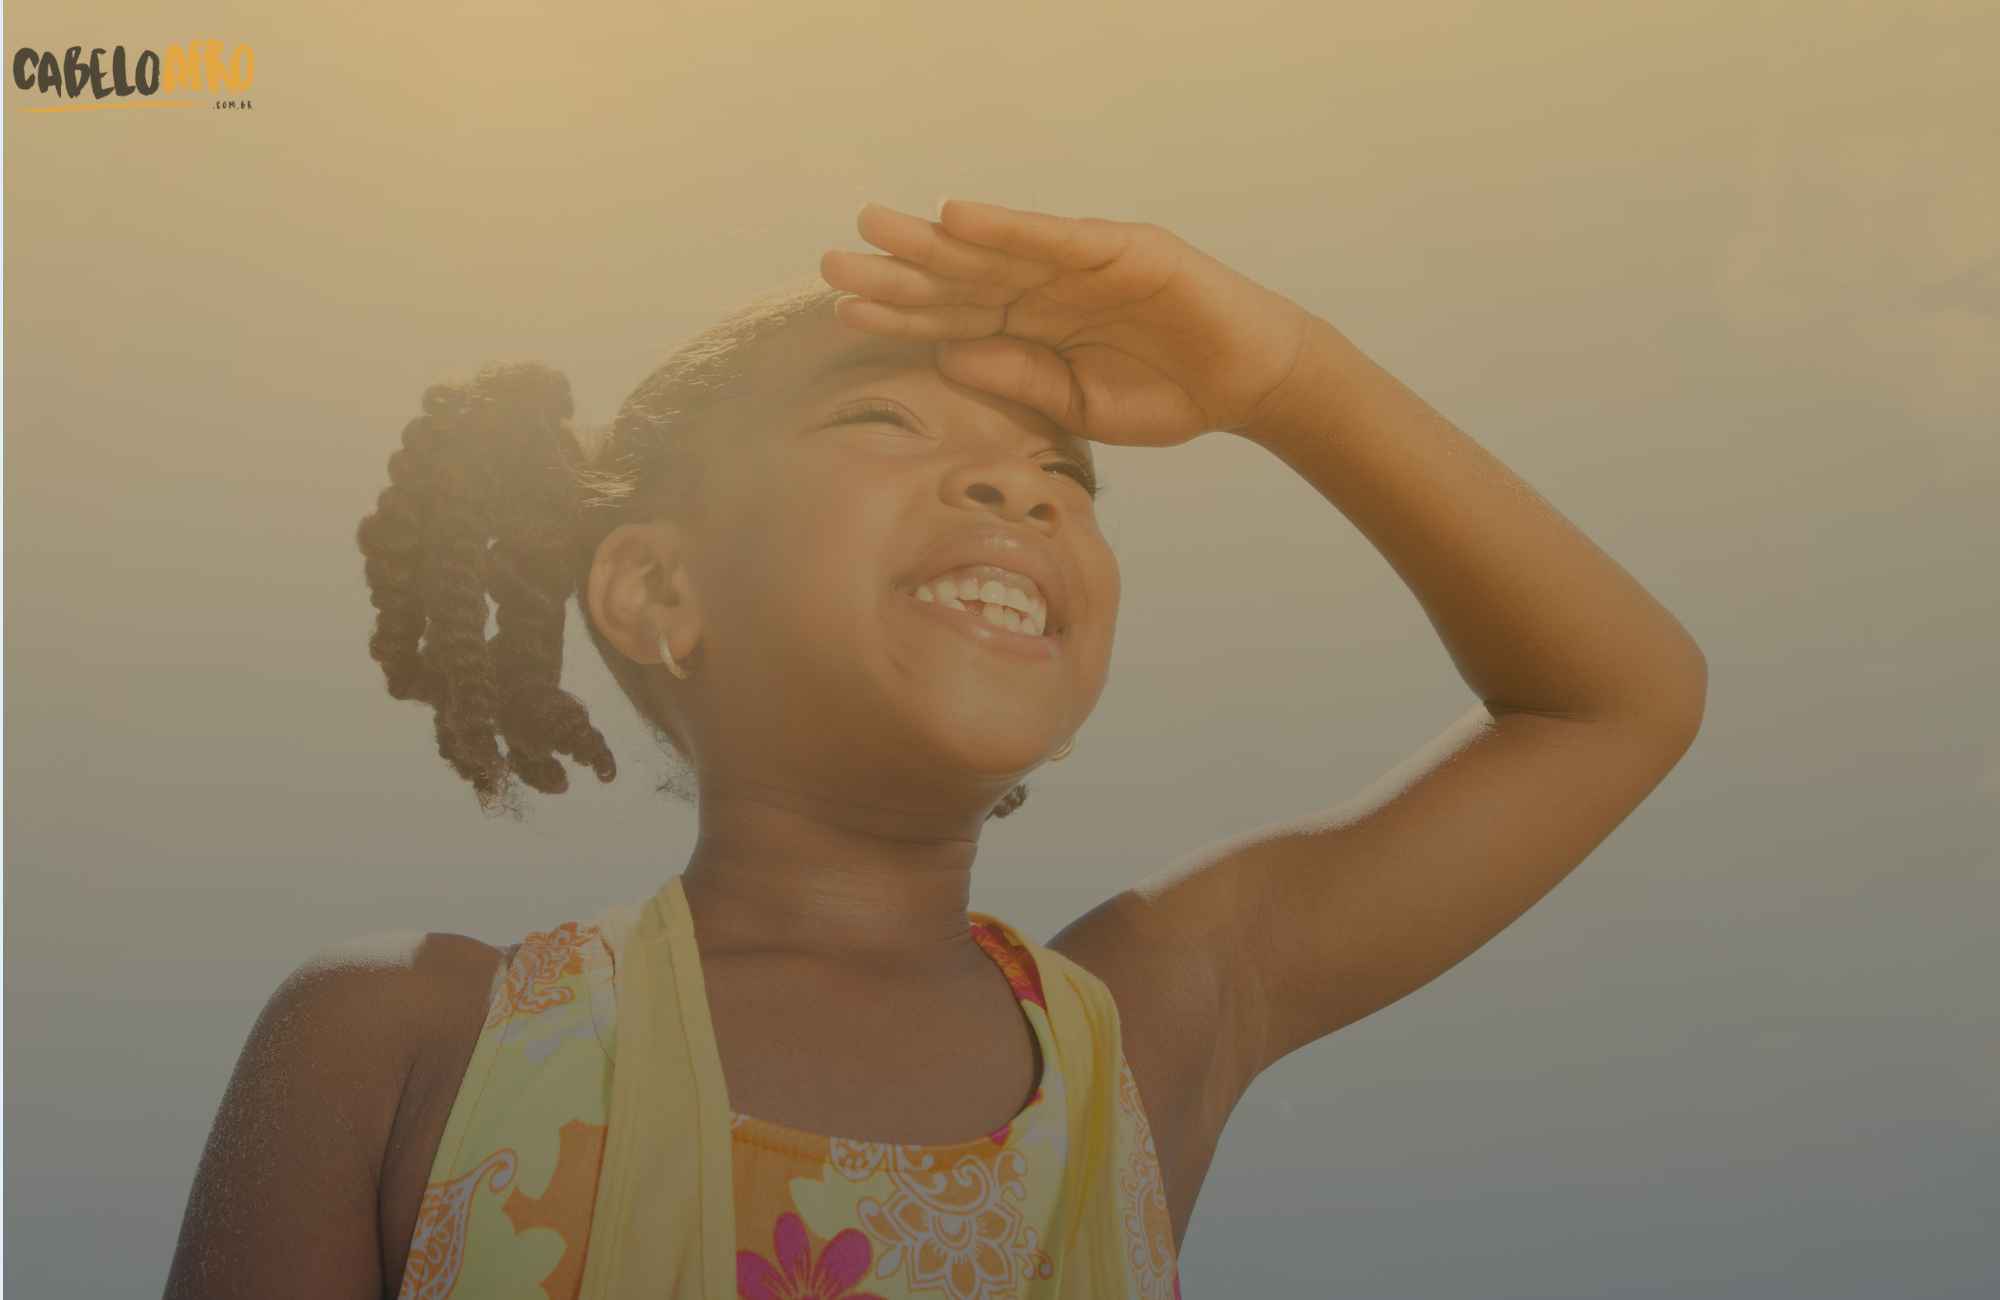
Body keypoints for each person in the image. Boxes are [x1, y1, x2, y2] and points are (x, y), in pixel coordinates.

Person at [164, 198, 1706, 1299]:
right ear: (658, 589)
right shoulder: (415, 1036)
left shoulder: (1143, 1032)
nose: (1019, 492)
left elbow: (1618, 700)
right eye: (884, 427)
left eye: (1062, 471)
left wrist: (1281, 380)